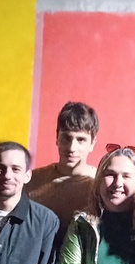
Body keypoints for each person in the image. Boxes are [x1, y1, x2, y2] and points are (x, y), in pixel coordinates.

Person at [26, 101, 100, 240]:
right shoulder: (32, 181)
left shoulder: (101, 187)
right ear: (57, 138)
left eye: (81, 140)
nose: (71, 148)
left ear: (92, 143)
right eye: (66, 138)